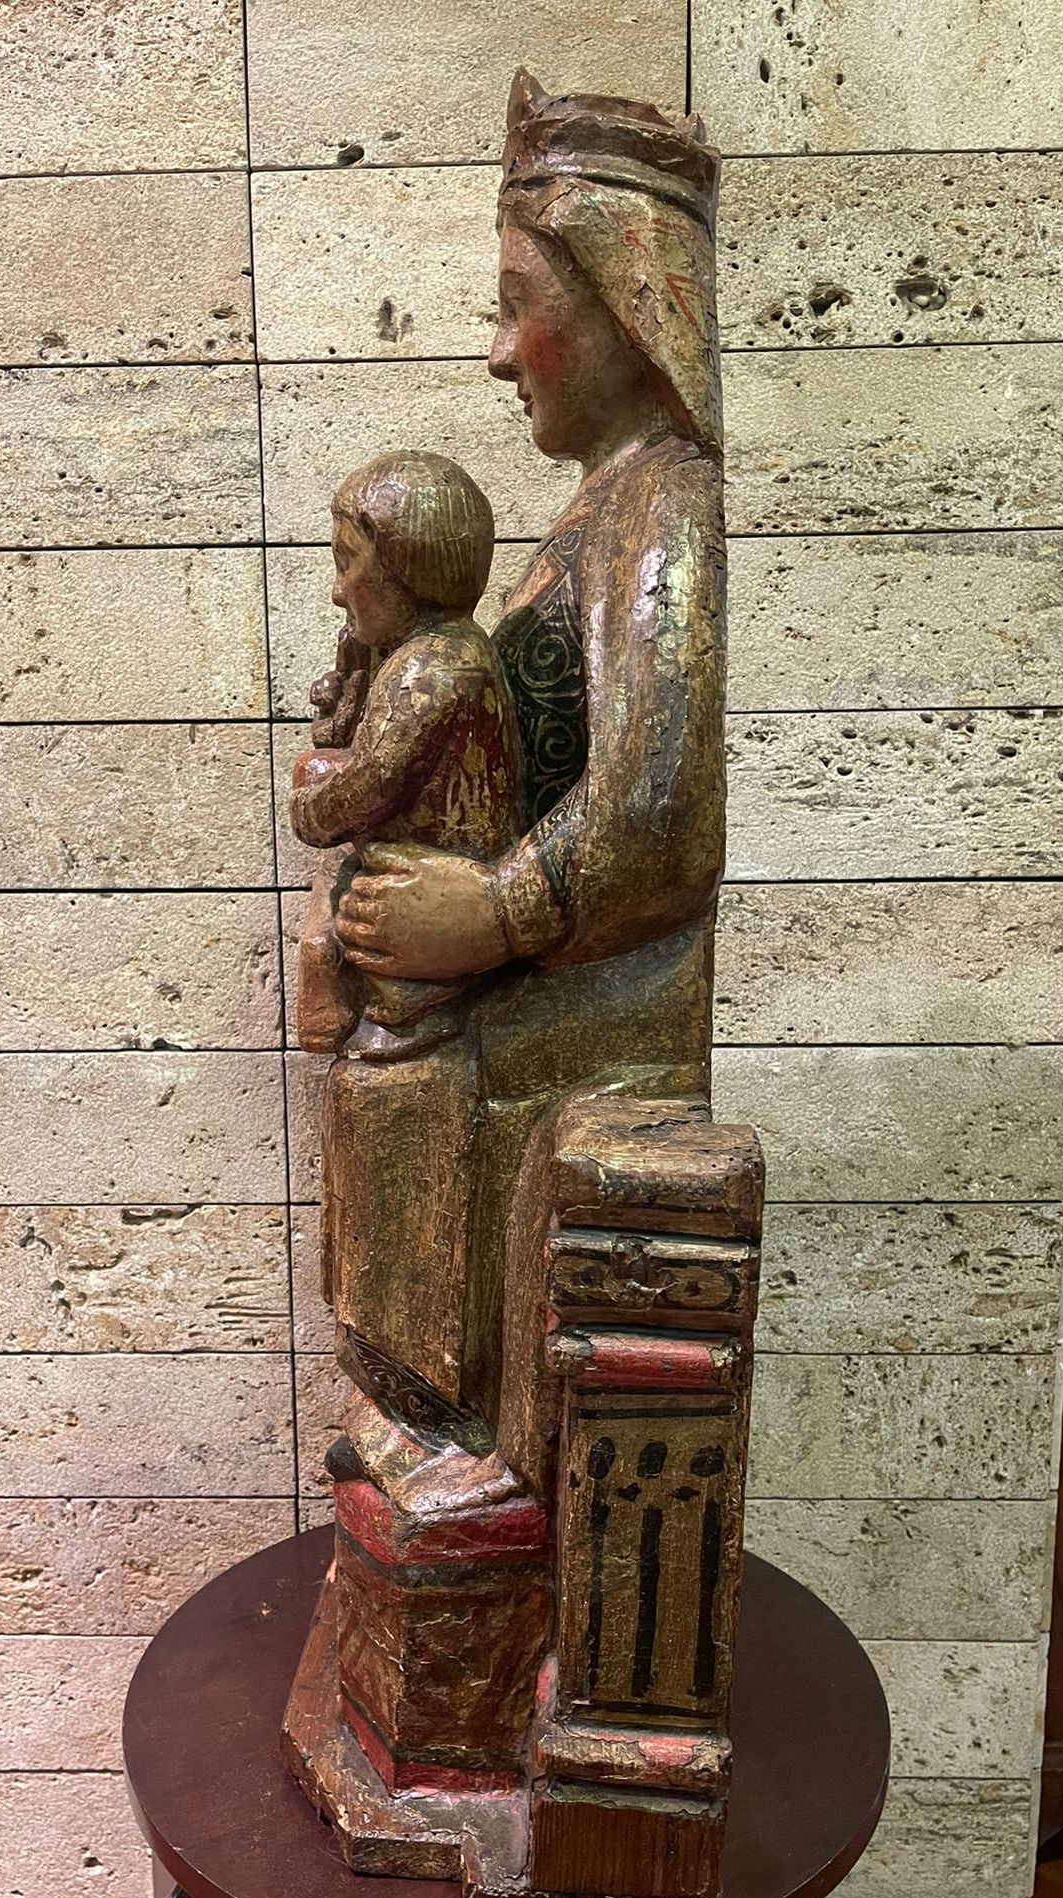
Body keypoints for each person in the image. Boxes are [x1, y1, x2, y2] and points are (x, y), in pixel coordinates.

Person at [315, 73, 729, 1513]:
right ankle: (433, 1409)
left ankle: (463, 1438)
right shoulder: (599, 510)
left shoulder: (663, 511)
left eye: (515, 306)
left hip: (612, 999)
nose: (497, 355)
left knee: (405, 1081)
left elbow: (661, 820)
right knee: (381, 1053)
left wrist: (489, 914)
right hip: (560, 968)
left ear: (623, 303)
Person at [290, 451, 523, 1063]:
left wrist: (310, 812)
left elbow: (372, 783)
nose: (336, 591)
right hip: (415, 859)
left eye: (347, 564)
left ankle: (353, 993)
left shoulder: (433, 667)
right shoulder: (428, 650)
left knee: (343, 888)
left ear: (407, 570)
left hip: (428, 896)